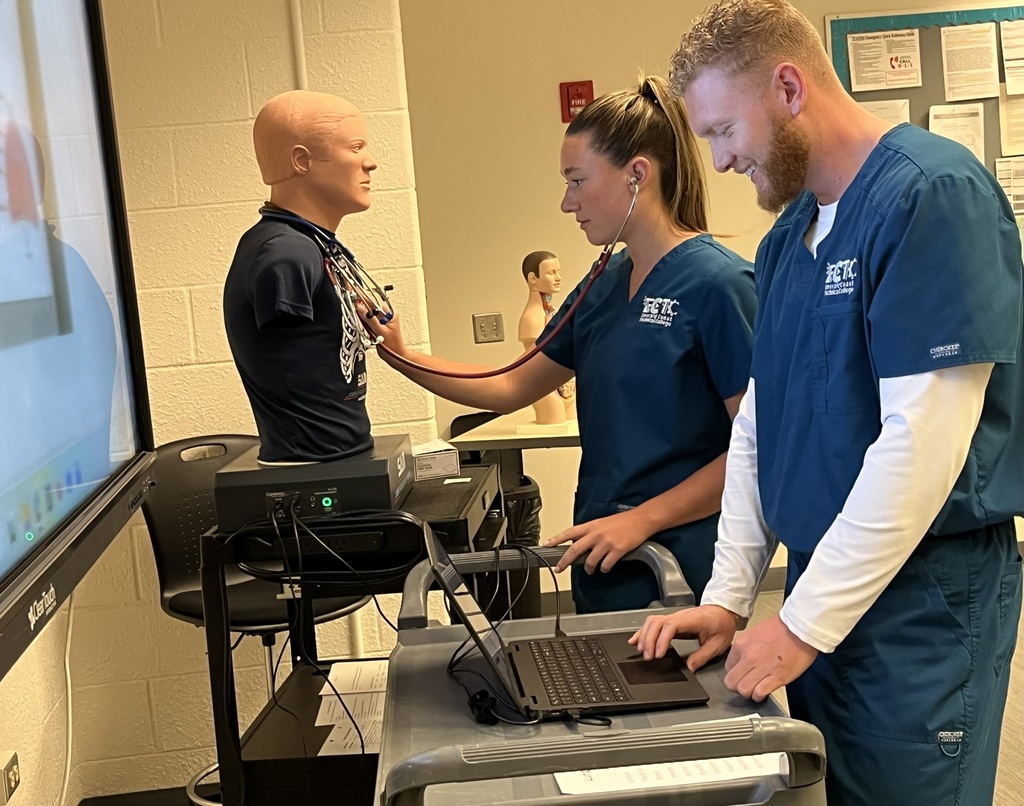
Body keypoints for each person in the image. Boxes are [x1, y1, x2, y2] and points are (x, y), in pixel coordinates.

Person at [631, 2, 1024, 804]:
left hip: (922, 598)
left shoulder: (931, 196)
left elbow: (923, 442)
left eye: (722, 132)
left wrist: (805, 623)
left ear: (787, 86)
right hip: (822, 583)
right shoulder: (787, 241)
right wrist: (728, 599)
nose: (722, 160)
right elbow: (758, 432)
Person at [365, 75, 757, 613]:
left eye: (576, 181)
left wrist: (641, 520)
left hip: (680, 561)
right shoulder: (604, 283)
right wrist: (399, 353)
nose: (566, 202)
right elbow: (508, 385)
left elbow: (758, 451)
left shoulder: (719, 285)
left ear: (637, 175)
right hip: (602, 551)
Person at [224, 90, 378, 463]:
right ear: (301, 161)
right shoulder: (285, 253)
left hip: (341, 459)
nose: (370, 163)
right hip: (313, 466)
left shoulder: (312, 245)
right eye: (355, 148)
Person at [517, 250, 574, 425]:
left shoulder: (552, 313)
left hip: (566, 385)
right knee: (555, 423)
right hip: (546, 389)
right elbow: (535, 361)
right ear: (533, 278)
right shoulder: (532, 319)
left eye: (559, 272)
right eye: (551, 273)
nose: (558, 278)